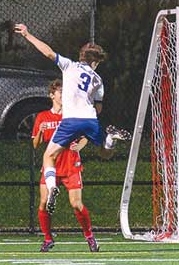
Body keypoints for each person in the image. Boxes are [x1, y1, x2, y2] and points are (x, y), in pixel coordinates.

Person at [15, 23, 128, 252]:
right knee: (105, 152)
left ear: (81, 56)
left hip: (71, 120)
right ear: (95, 62)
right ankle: (109, 138)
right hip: (89, 119)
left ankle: (51, 185)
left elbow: (47, 52)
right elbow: (97, 109)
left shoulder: (69, 66)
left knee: (48, 156)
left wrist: (28, 35)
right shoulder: (97, 79)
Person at [32, 80, 98, 252]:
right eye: (60, 91)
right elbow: (35, 144)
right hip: (51, 166)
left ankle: (89, 237)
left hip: (70, 165)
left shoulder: (71, 115)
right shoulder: (42, 117)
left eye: (65, 91)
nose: (63, 94)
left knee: (76, 204)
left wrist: (81, 145)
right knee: (44, 202)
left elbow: (85, 135)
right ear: (52, 95)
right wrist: (40, 130)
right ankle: (48, 239)